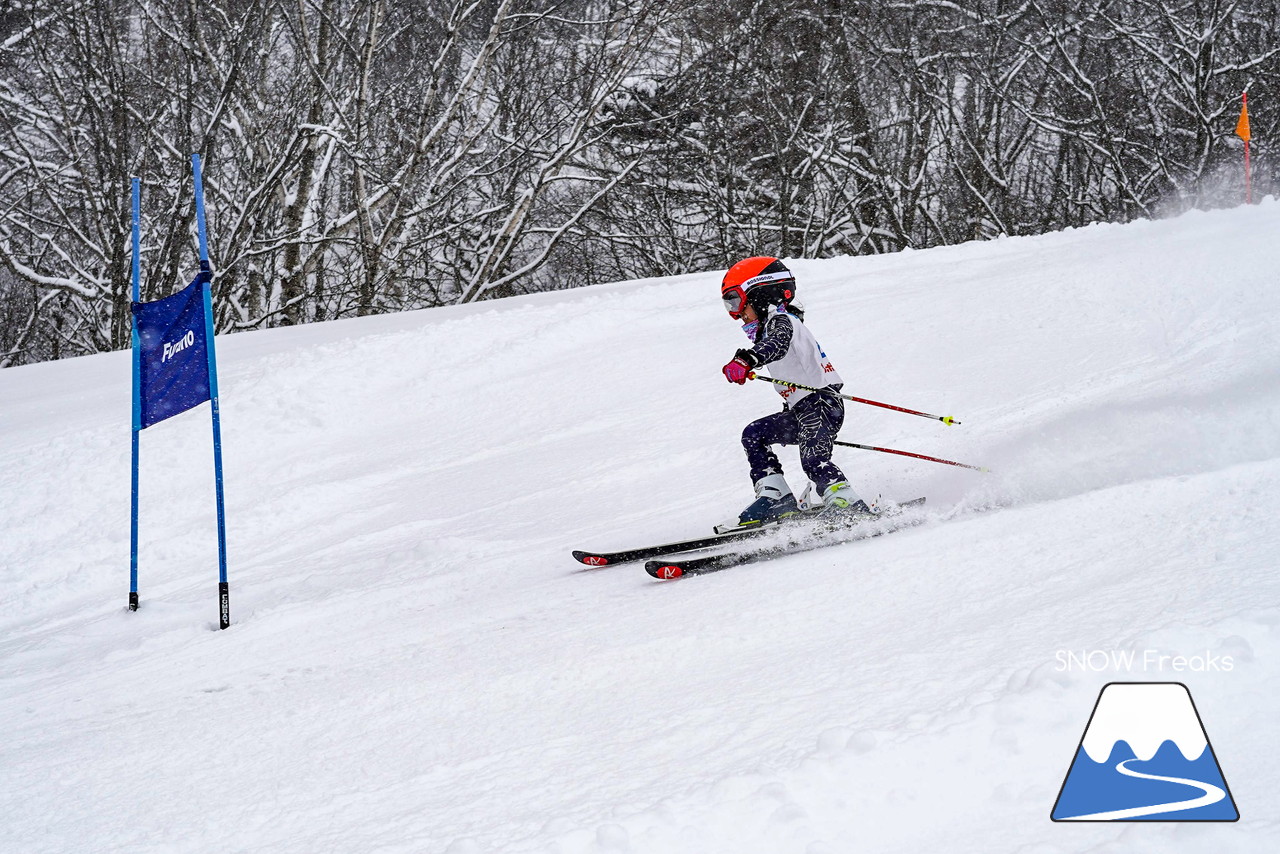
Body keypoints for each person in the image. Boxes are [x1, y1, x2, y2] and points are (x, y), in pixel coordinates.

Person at [718, 256, 869, 530]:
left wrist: (747, 360)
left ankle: (847, 502)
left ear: (761, 294)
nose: (736, 313)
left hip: (821, 404)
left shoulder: (782, 322)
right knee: (754, 433)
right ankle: (776, 497)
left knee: (813, 459)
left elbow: (777, 344)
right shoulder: (774, 325)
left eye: (737, 302)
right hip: (803, 409)